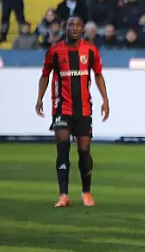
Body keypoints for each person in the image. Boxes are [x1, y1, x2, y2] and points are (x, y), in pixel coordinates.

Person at [35, 17, 111, 208]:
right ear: (65, 27)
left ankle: (86, 192)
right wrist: (39, 98)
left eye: (78, 25)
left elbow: (99, 75)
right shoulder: (55, 51)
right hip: (62, 108)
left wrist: (105, 100)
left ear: (82, 29)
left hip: (84, 109)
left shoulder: (90, 50)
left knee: (84, 150)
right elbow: (44, 76)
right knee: (62, 148)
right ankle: (63, 195)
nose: (74, 28)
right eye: (71, 25)